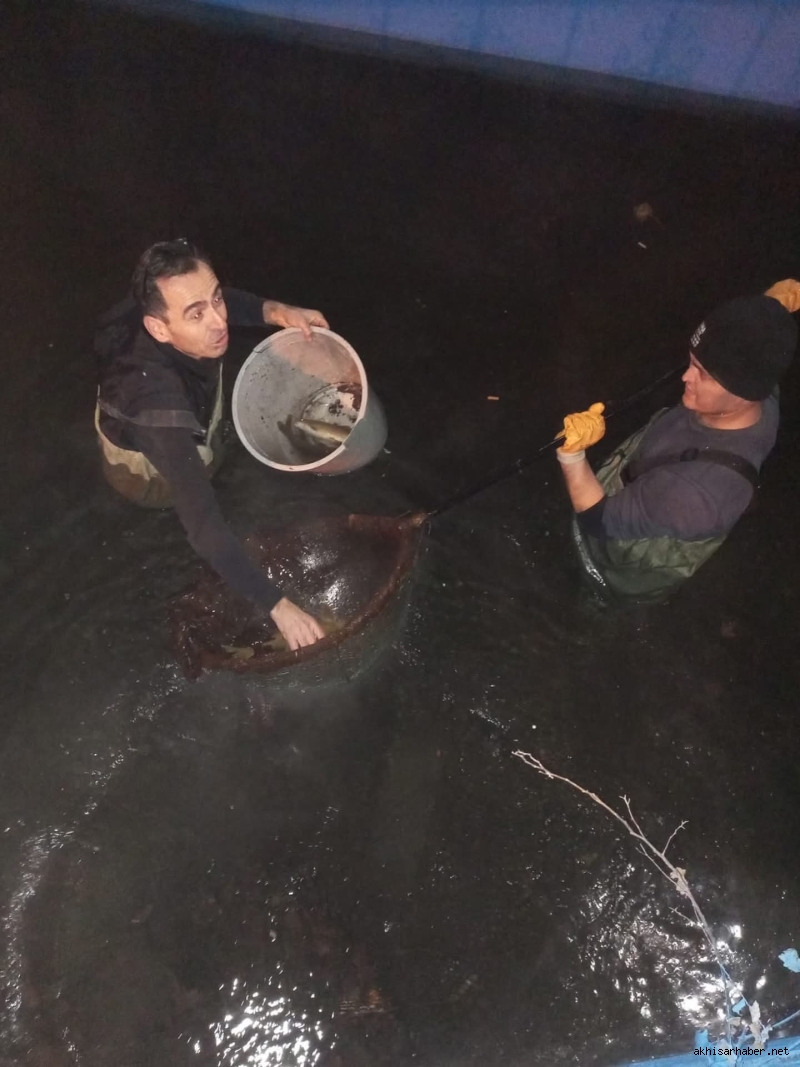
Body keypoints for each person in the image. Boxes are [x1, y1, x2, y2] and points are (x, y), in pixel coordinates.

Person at [95, 238, 329, 649]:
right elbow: (204, 529)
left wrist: (278, 312)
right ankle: (177, 490)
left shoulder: (170, 312)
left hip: (175, 396)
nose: (220, 321)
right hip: (145, 470)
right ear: (158, 328)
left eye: (216, 298)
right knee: (193, 497)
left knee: (207, 449)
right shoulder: (159, 411)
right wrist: (278, 607)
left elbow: (217, 304)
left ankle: (206, 459)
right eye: (196, 314)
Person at [556, 280, 800, 601]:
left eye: (703, 374)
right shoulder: (762, 390)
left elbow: (597, 521)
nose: (686, 377)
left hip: (618, 555)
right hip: (654, 485)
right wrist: (772, 308)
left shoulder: (696, 494)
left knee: (586, 586)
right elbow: (752, 347)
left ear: (743, 391)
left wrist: (572, 456)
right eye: (692, 362)